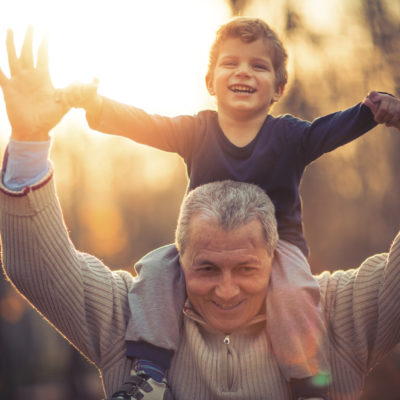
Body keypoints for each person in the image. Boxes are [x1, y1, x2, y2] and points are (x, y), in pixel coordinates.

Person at [56, 16, 400, 399]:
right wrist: (98, 106)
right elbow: (147, 124)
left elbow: (330, 130)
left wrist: (371, 113)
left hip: (277, 249)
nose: (244, 72)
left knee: (294, 291)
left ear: (278, 87)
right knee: (155, 272)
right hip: (202, 249)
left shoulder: (291, 136)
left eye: (258, 66)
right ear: (210, 82)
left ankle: (306, 382)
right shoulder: (196, 131)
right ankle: (151, 371)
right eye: (231, 63)